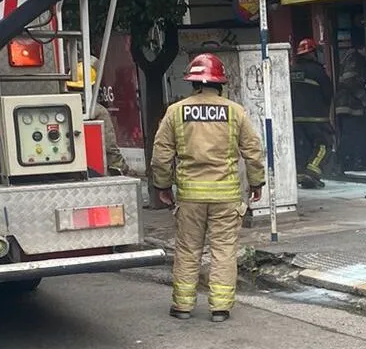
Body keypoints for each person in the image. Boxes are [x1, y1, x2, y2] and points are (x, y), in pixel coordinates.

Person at [151, 52, 265, 323]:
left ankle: (182, 306)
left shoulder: (176, 112)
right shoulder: (235, 112)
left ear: (193, 83)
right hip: (226, 196)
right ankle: (220, 309)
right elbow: (253, 150)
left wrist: (163, 185)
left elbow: (161, 153)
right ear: (220, 83)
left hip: (190, 197)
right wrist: (256, 182)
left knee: (188, 249)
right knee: (224, 250)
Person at [66, 55, 127, 176]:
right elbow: (110, 147)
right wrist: (121, 166)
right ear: (93, 86)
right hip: (92, 171)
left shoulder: (61, 109)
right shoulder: (97, 111)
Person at [290, 38, 335, 188]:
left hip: (295, 118)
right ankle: (312, 174)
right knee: (324, 145)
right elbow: (328, 92)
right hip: (316, 118)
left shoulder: (291, 70)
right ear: (313, 53)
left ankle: (302, 176)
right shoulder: (317, 71)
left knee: (302, 148)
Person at [334, 39, 366, 172]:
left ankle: (347, 162)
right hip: (350, 105)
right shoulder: (354, 58)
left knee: (352, 135)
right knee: (352, 135)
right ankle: (341, 163)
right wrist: (364, 99)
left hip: (347, 105)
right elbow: (350, 80)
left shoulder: (348, 56)